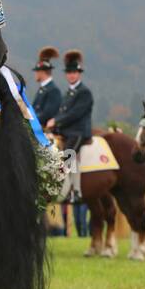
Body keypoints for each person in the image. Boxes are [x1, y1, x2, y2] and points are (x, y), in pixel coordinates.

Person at [46, 49, 93, 203]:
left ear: (79, 74)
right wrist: (54, 122)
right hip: (66, 131)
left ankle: (71, 191)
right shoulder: (69, 92)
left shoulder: (84, 92)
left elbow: (75, 114)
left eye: (74, 72)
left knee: (68, 156)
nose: (72, 75)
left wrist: (57, 121)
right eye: (69, 72)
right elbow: (62, 112)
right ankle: (74, 190)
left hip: (78, 132)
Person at [31, 46, 63, 126]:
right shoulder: (43, 89)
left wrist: (31, 121)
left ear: (41, 72)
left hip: (44, 129)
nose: (35, 74)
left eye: (37, 71)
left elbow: (47, 114)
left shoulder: (53, 90)